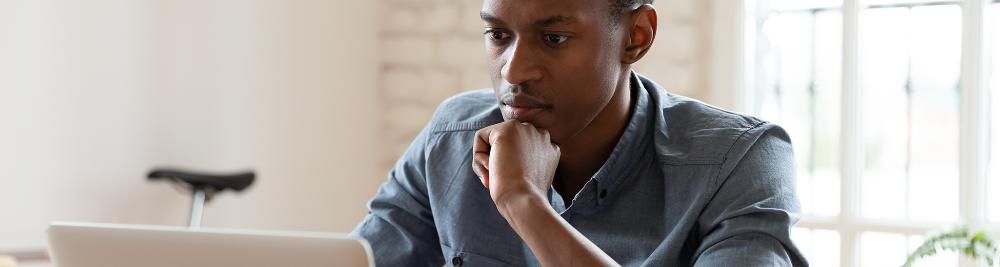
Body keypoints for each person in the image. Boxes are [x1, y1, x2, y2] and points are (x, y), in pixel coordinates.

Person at [352, 0, 807, 266]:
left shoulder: (739, 159)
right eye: (497, 34)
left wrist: (524, 204)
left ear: (636, 36)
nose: (514, 70)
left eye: (554, 38)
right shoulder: (452, 137)